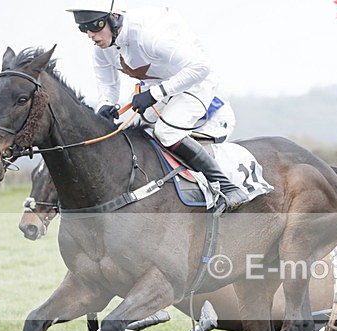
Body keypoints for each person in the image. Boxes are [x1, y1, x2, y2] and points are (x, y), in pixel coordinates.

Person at [67, 1, 248, 213]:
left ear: (115, 19)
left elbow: (201, 67)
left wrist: (155, 94)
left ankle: (228, 186)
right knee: (125, 131)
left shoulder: (148, 37)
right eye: (84, 29)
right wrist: (106, 104)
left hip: (196, 82)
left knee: (166, 132)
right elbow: (108, 84)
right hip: (158, 87)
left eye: (95, 26)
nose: (90, 35)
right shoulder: (102, 49)